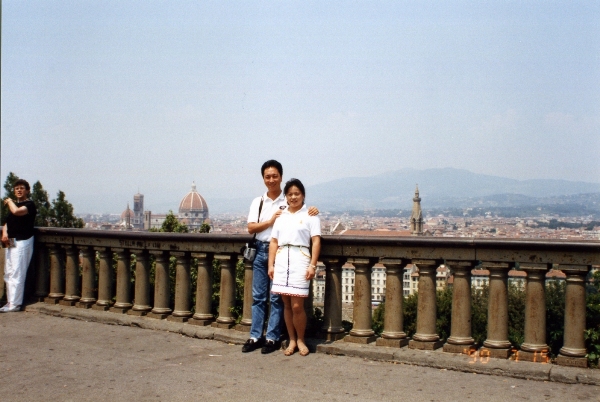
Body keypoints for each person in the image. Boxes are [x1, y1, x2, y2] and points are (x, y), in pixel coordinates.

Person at [242, 160, 318, 354]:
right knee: (258, 296)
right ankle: (255, 336)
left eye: (275, 176)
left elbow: (303, 211)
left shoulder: (288, 201)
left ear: (281, 177)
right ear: (263, 179)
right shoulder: (258, 202)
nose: (271, 180)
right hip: (261, 249)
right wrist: (270, 221)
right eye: (267, 176)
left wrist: (314, 209)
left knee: (277, 299)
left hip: (282, 253)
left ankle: (272, 337)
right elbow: (251, 227)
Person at [268, 178, 321, 357]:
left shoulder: (311, 216)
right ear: (286, 197)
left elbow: (316, 241)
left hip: (300, 259)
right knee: (286, 304)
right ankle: (291, 339)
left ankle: (301, 339)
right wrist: (271, 264)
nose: (293, 197)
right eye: (290, 194)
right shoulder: (281, 216)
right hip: (282, 260)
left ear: (303, 195)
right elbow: (274, 241)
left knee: (297, 305)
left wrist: (313, 265)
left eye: (296, 194)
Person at [1, 179, 37, 313]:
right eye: (16, 188)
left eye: (22, 188)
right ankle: (10, 301)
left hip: (22, 241)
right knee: (9, 272)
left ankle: (15, 304)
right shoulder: (14, 205)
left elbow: (17, 212)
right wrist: (4, 234)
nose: (19, 190)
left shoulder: (29, 205)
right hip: (11, 240)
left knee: (17, 272)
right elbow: (7, 222)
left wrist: (9, 201)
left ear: (27, 190)